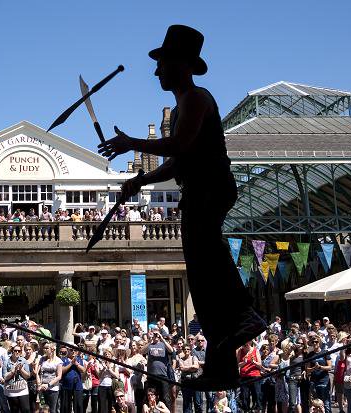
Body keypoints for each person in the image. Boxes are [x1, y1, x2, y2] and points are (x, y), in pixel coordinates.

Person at [97, 24, 265, 389]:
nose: (157, 71)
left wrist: (131, 143)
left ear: (182, 65)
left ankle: (245, 314)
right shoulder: (182, 105)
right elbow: (178, 163)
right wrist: (138, 182)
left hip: (210, 187)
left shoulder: (196, 98)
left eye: (162, 63)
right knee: (202, 279)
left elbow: (182, 146)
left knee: (209, 261)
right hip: (200, 187)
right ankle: (222, 368)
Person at [3, 345, 31, 413]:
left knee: (26, 410)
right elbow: (5, 377)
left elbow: (28, 376)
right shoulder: (6, 362)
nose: (17, 352)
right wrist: (13, 371)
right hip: (11, 390)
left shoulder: (24, 361)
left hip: (23, 389)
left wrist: (21, 370)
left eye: (19, 351)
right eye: (15, 350)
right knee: (14, 410)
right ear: (12, 351)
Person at [36, 343, 62, 413]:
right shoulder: (42, 359)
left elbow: (59, 376)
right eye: (44, 348)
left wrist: (48, 385)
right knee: (43, 410)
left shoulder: (58, 361)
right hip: (42, 388)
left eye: (47, 348)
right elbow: (37, 373)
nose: (45, 350)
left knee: (52, 410)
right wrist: (39, 385)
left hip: (53, 389)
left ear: (52, 349)